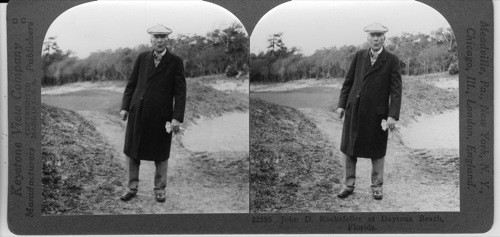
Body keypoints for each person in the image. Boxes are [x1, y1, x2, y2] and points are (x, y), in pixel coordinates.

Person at [119, 24, 186, 202]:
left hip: (161, 116)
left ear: (167, 40)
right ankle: (131, 188)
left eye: (163, 37)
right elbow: (131, 84)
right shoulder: (142, 58)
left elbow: (180, 92)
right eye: (156, 37)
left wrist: (177, 117)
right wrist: (125, 107)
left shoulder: (176, 61)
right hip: (138, 112)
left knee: (161, 153)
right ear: (151, 39)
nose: (159, 40)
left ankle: (160, 189)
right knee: (133, 150)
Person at [336, 23, 402, 200]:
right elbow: (348, 82)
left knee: (377, 150)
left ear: (384, 38)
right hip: (354, 111)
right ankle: (348, 185)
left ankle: (377, 187)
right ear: (367, 38)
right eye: (372, 35)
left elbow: (396, 91)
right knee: (349, 148)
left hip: (377, 114)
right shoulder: (359, 56)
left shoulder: (392, 60)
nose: (375, 38)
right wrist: (342, 105)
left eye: (379, 35)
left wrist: (392, 115)